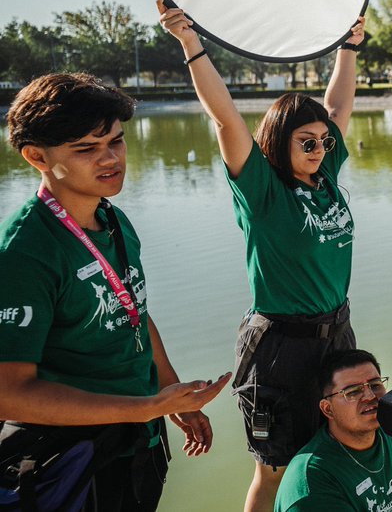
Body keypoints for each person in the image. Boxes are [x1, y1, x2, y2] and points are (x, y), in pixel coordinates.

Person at [158, 0, 365, 512]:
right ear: (281, 143)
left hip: (336, 332)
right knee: (275, 470)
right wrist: (190, 42)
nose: (320, 149)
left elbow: (337, 108)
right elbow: (227, 120)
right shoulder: (263, 191)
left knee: (333, 452)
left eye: (322, 142)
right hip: (280, 347)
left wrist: (348, 48)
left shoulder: (325, 180)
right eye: (307, 142)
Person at [0, 73, 230, 510]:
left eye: (117, 141)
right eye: (86, 149)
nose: (110, 159)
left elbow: (135, 311)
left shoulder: (113, 219)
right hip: (68, 461)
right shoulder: (24, 251)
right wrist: (144, 407)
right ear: (36, 156)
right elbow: (7, 393)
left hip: (137, 443)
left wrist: (169, 394)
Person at [273, 349, 392, 512]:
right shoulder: (311, 483)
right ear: (328, 409)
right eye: (353, 392)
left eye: (375, 385)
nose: (370, 396)